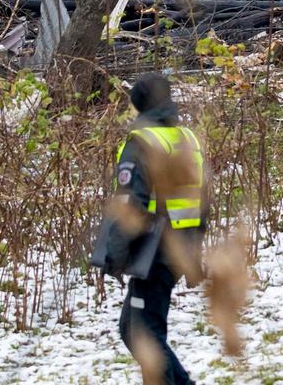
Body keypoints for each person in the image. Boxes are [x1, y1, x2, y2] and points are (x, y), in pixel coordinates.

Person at [91, 73, 205, 385]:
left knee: (145, 334)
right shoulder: (187, 139)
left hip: (152, 252)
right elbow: (202, 200)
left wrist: (113, 255)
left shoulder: (142, 142)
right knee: (133, 328)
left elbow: (132, 206)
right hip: (177, 249)